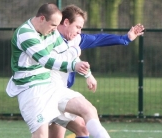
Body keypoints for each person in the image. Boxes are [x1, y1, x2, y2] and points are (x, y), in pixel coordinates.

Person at [6, 3, 111, 138]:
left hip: (50, 86)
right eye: (53, 25)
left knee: (87, 112)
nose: (56, 29)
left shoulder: (52, 32)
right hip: (31, 91)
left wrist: (85, 71)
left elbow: (65, 53)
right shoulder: (26, 34)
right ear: (42, 19)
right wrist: (75, 54)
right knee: (42, 136)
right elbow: (47, 61)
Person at [48, 4, 145, 138]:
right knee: (88, 110)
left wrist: (125, 38)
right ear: (65, 22)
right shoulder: (47, 38)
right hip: (45, 94)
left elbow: (99, 39)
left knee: (82, 128)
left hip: (59, 94)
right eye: (77, 27)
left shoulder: (75, 39)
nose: (79, 31)